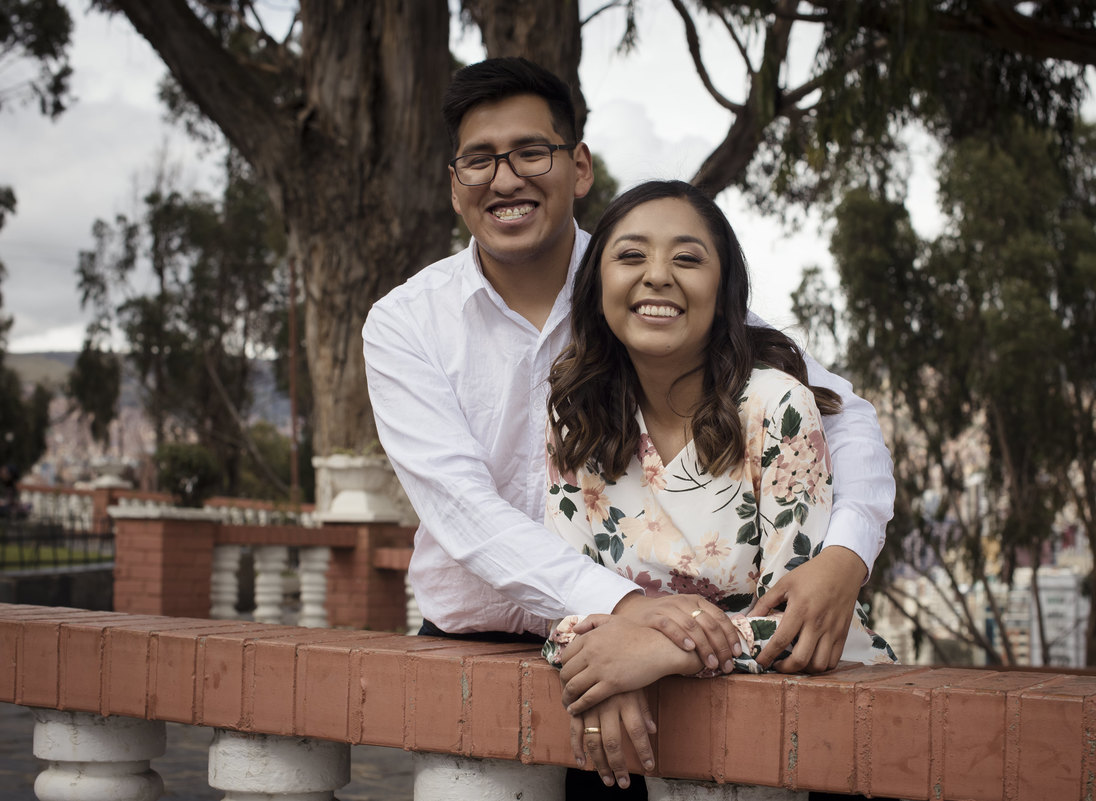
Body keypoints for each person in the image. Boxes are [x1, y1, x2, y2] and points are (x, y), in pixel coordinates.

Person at [362, 57, 895, 798]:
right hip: (512, 647)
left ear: (577, 165)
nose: (504, 178)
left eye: (531, 152)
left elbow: (843, 412)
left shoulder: (641, 277)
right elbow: (462, 509)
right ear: (455, 183)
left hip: (667, 657)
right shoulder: (406, 323)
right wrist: (618, 619)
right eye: (479, 160)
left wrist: (846, 555)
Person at [540, 180, 896, 796]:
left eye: (687, 258)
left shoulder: (775, 404)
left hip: (813, 744)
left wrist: (658, 653)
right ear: (597, 290)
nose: (657, 276)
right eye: (629, 256)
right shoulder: (578, 421)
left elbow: (797, 625)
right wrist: (606, 664)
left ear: (724, 292)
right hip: (667, 756)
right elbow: (564, 612)